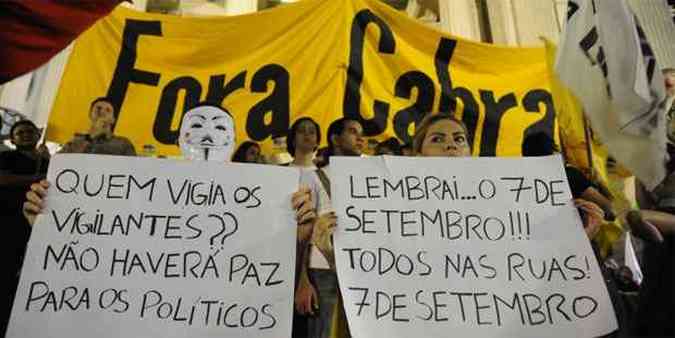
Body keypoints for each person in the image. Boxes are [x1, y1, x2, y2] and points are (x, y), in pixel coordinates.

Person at [295, 117, 364, 338]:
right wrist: (303, 282)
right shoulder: (313, 176)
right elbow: (302, 232)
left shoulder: (371, 178)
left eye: (360, 132)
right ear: (335, 138)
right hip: (323, 273)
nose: (360, 138)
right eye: (353, 132)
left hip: (363, 271)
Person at [59, 97, 136, 156]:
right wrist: (90, 137)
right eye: (98, 108)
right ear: (90, 114)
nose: (102, 112)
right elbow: (60, 163)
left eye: (108, 110)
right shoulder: (74, 142)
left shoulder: (123, 144)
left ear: (113, 120)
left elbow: (132, 168)